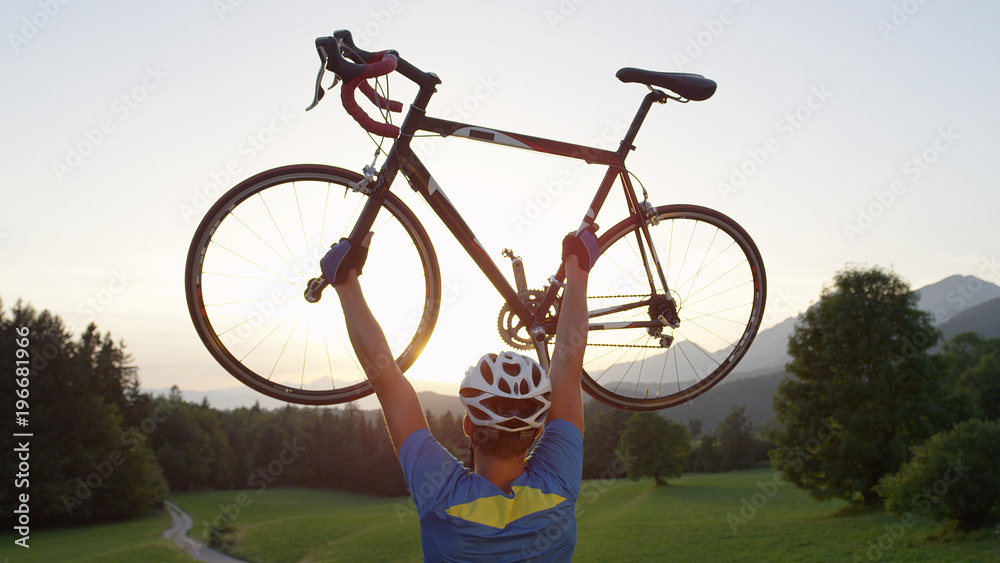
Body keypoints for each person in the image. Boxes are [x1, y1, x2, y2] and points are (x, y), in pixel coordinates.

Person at [321, 224, 598, 562]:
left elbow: (389, 383)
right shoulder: (553, 486)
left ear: (468, 426)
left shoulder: (446, 493)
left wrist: (577, 268)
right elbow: (385, 380)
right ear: (539, 431)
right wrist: (345, 282)